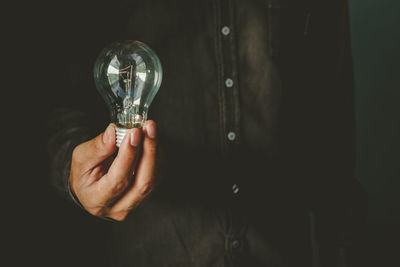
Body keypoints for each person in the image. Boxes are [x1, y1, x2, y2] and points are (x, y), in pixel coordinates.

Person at [47, 0, 367, 266]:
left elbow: (332, 125)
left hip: (279, 249)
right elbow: (51, 92)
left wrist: (343, 246)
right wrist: (72, 170)